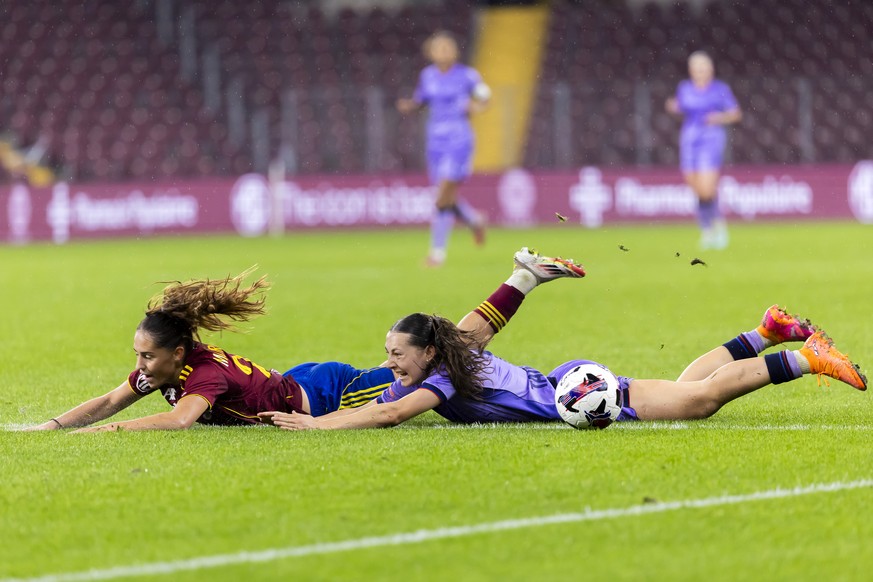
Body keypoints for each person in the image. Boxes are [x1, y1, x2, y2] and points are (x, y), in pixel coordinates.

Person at [23, 250, 585, 432]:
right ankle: (522, 279)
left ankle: (521, 280)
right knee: (447, 351)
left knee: (447, 356)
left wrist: (109, 433)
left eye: (147, 355)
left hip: (326, 394)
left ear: (176, 353)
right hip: (300, 380)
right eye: (138, 356)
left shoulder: (202, 375)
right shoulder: (166, 368)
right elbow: (110, 398)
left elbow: (177, 421)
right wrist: (53, 427)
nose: (140, 365)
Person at [260, 303, 866, 430]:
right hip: (564, 382)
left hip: (571, 394)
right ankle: (764, 332)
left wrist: (316, 425)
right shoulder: (451, 357)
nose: (388, 363)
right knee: (687, 390)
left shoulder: (440, 379)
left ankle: (804, 357)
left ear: (427, 354)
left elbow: (390, 414)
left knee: (697, 402)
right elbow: (381, 402)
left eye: (397, 354)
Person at [396, 30, 491, 267]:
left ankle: (437, 254)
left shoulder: (467, 75)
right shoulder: (427, 76)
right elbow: (421, 101)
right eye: (439, 49)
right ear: (431, 53)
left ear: (455, 52)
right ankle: (474, 220)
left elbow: (485, 99)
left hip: (459, 139)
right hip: (435, 142)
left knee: (443, 195)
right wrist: (410, 106)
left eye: (447, 48)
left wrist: (475, 107)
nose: (444, 52)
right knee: (446, 196)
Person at [665, 51, 742, 251]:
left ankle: (717, 226)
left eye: (703, 68)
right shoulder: (684, 88)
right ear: (691, 71)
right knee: (695, 186)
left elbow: (735, 114)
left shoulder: (720, 89)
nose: (700, 72)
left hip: (711, 139)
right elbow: (680, 107)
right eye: (696, 69)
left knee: (707, 188)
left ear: (710, 70)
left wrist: (719, 118)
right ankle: (707, 230)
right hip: (690, 139)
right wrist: (673, 106)